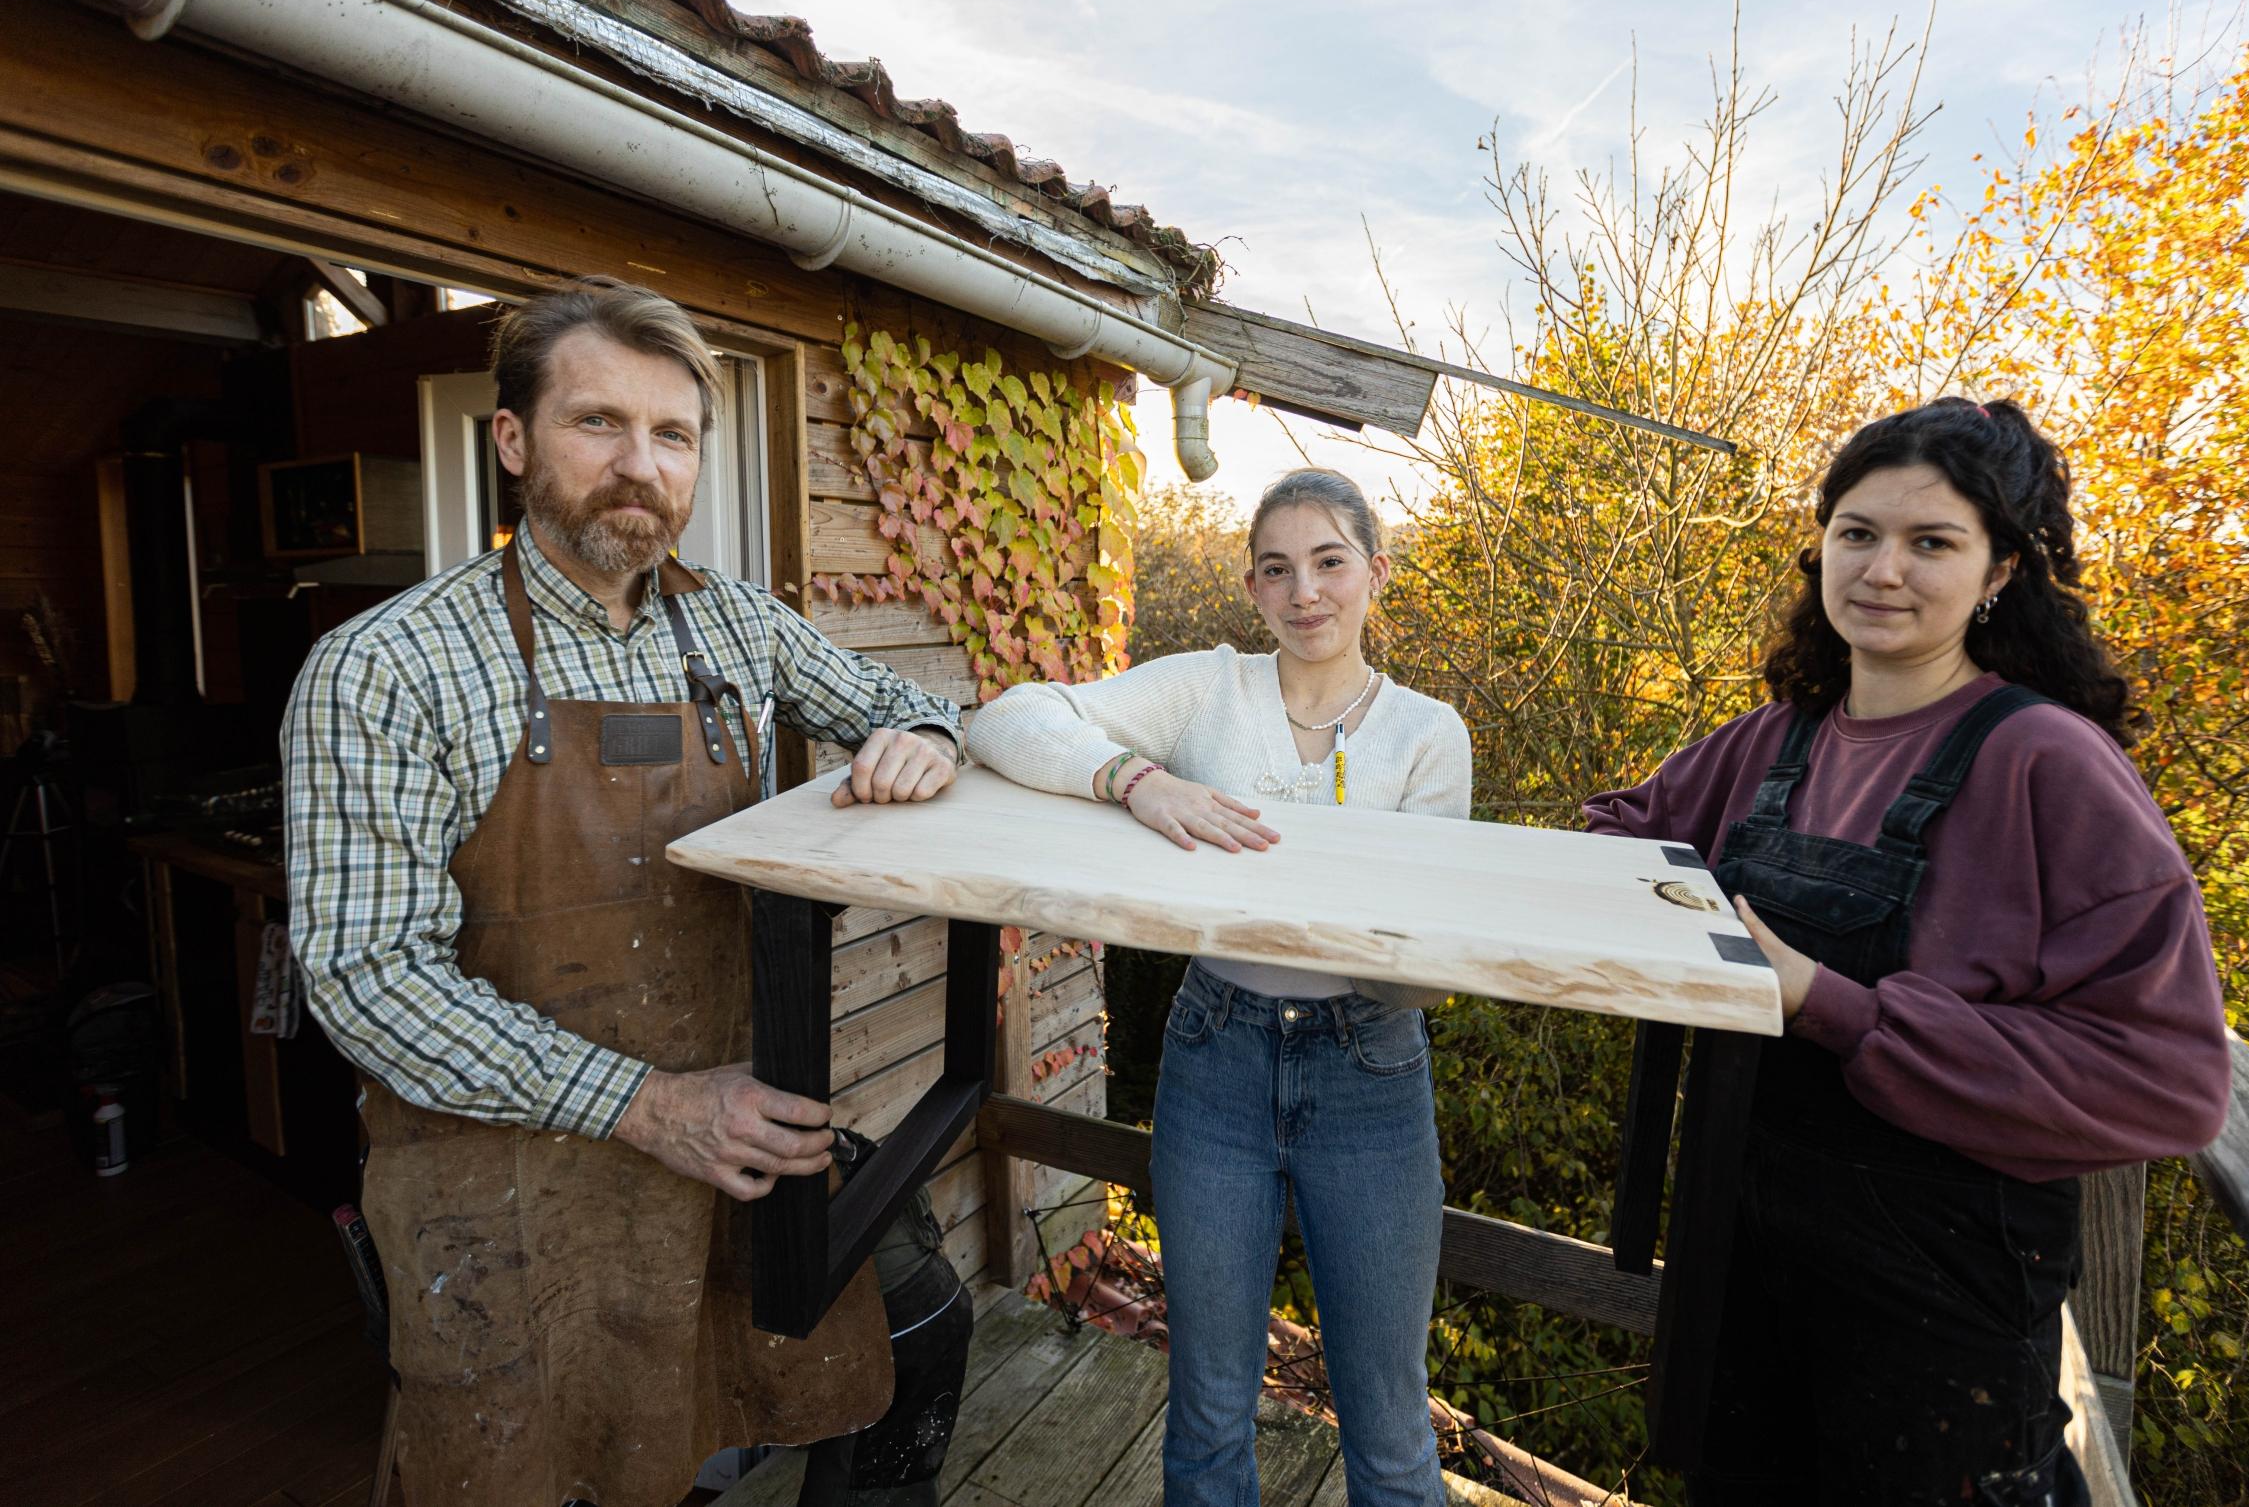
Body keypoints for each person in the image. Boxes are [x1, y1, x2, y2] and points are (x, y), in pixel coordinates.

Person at [281, 278, 965, 1507]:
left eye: (673, 434)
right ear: (512, 441)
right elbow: (365, 977)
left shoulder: (739, 629)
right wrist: (648, 1105)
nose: (639, 465)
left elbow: (916, 705)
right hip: (503, 1174)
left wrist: (925, 736)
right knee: (530, 1469)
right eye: (599, 423)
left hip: (726, 1133)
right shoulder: (387, 664)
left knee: (885, 1346)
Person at [1584, 398, 2231, 1506]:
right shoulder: (1774, 737)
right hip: (1745, 1259)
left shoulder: (2045, 761)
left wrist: (1829, 1002)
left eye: (1931, 542)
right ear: (1820, 546)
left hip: (1943, 1301)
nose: (1883, 568)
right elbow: (1613, 839)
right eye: (1856, 533)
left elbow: (2166, 1079)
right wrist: (1672, 929)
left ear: (2000, 572)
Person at [967, 467, 1469, 1507]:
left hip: (1369, 1070)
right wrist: (1139, 782)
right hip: (1216, 1055)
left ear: (1376, 572)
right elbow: (1008, 717)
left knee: (1386, 1416)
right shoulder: (1208, 688)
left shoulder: (1430, 734)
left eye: (1330, 562)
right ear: (1250, 586)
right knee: (1205, 1400)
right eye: (1277, 569)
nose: (1305, 592)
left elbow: (1419, 973)